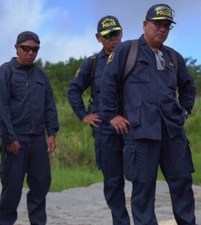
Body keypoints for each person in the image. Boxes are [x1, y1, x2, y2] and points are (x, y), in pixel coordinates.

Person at [100, 4, 196, 225]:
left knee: (182, 184)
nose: (162, 29)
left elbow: (188, 86)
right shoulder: (127, 51)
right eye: (157, 24)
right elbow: (107, 84)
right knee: (143, 190)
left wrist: (184, 111)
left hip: (173, 133)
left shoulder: (173, 56)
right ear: (145, 24)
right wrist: (112, 115)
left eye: (166, 26)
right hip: (141, 132)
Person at [67, 15, 130, 225]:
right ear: (98, 38)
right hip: (105, 130)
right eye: (108, 35)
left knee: (141, 177)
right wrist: (84, 114)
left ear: (122, 34)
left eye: (117, 33)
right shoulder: (92, 64)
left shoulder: (134, 57)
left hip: (133, 127)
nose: (114, 38)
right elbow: (74, 89)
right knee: (113, 181)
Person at [0, 31, 59, 225]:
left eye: (35, 49)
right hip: (16, 140)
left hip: (38, 139)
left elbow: (49, 105)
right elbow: (0, 107)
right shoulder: (6, 72)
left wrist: (52, 133)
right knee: (12, 187)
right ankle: (5, 222)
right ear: (17, 48)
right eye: (26, 48)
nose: (31, 53)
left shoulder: (41, 75)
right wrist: (9, 138)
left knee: (41, 183)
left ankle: (38, 222)